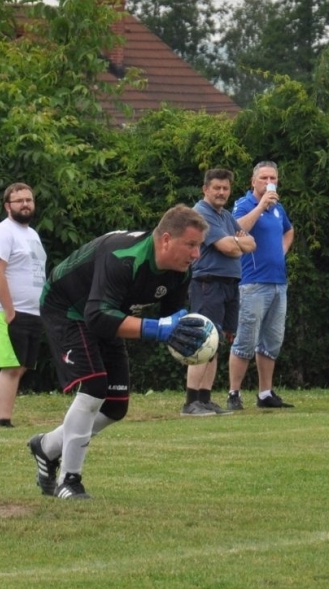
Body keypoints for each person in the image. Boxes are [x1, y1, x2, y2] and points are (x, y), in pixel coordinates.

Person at [28, 206, 212, 499]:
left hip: (108, 313)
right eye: (191, 244)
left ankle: (47, 447)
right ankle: (70, 481)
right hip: (68, 308)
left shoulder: (180, 272)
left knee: (115, 406)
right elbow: (97, 316)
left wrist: (188, 336)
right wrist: (158, 330)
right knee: (94, 387)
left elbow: (171, 317)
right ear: (166, 240)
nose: (196, 254)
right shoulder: (122, 257)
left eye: (199, 246)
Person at [183, 168, 253, 416]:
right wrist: (237, 245)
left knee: (216, 343)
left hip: (229, 284)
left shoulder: (223, 216)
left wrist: (238, 245)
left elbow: (251, 242)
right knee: (202, 340)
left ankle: (205, 398)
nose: (221, 192)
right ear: (205, 189)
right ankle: (191, 402)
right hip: (208, 283)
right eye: (217, 188)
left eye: (225, 188)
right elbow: (226, 247)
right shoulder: (202, 213)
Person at [227, 161, 294, 410]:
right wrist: (261, 205)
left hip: (278, 282)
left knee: (272, 340)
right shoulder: (245, 204)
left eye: (272, 178)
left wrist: (282, 250)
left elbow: (289, 231)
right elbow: (236, 229)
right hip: (253, 283)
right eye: (264, 178)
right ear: (253, 181)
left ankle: (265, 393)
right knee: (245, 340)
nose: (268, 182)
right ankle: (234, 393)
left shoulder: (279, 208)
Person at [0, 183, 47, 428]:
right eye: (19, 200)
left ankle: (4, 416)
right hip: (7, 312)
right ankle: (2, 420)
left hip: (31, 312)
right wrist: (10, 311)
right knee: (10, 366)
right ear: (7, 206)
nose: (25, 204)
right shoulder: (2, 232)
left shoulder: (32, 234)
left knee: (20, 367)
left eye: (29, 200)